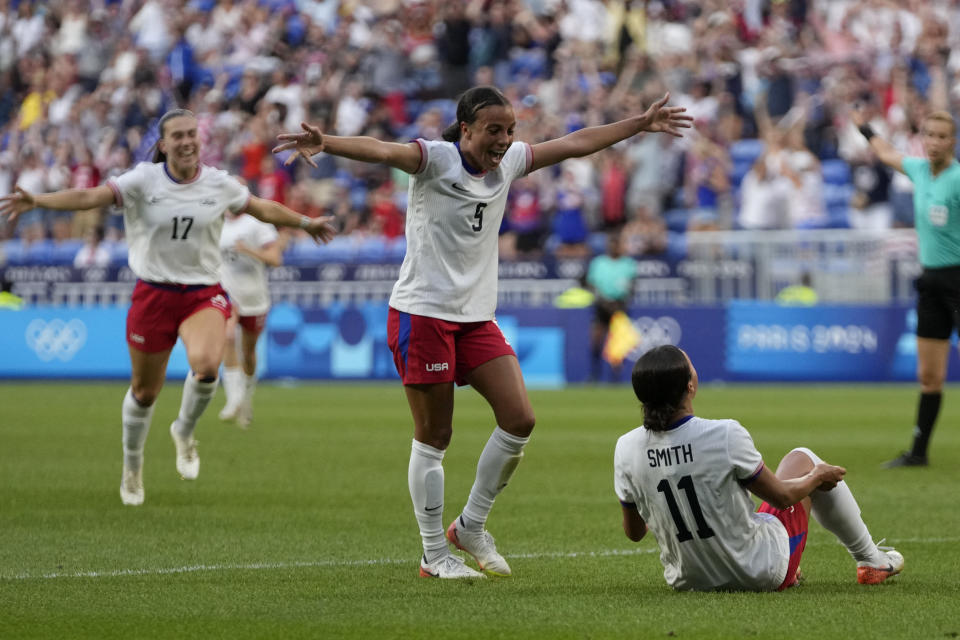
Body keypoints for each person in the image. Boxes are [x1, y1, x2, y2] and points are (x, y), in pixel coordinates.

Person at [275, 86, 692, 579]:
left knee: (519, 418)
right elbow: (383, 149)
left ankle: (470, 525)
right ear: (466, 128)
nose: (504, 140)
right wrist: (328, 142)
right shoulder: (433, 159)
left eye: (510, 130)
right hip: (423, 313)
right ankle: (434, 553)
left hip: (475, 317)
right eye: (494, 130)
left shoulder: (511, 162)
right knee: (435, 435)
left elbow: (576, 142)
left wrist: (638, 124)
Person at [0, 109, 336, 506]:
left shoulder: (218, 183)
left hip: (202, 293)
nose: (187, 141)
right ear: (163, 144)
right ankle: (132, 464)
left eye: (192, 133)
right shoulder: (143, 180)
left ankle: (184, 431)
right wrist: (38, 200)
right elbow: (90, 196)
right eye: (177, 135)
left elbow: (262, 208)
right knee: (144, 392)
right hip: (153, 294)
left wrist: (305, 222)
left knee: (208, 365)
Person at [614, 345, 904, 591]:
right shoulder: (723, 434)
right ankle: (870, 560)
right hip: (759, 574)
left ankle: (845, 561)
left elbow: (635, 532)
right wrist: (817, 476)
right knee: (802, 459)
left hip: (689, 580)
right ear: (690, 385)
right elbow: (782, 498)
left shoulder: (626, 447)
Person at [853, 108, 960, 468]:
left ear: (952, 141)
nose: (934, 142)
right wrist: (866, 128)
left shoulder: (958, 179)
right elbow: (885, 152)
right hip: (931, 281)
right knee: (929, 375)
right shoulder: (917, 169)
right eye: (929, 134)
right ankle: (918, 452)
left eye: (942, 136)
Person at [218, 209, 285, 428]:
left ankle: (245, 399)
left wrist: (248, 250)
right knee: (227, 339)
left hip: (254, 299)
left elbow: (275, 259)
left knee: (248, 353)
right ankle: (233, 399)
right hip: (228, 294)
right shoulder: (216, 222)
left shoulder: (258, 224)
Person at [586, 230, 638, 382]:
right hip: (602, 305)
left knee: (617, 344)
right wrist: (604, 301)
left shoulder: (629, 264)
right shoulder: (598, 263)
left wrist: (619, 302)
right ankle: (595, 374)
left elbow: (632, 287)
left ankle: (615, 377)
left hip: (619, 306)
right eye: (611, 244)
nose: (614, 247)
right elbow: (592, 285)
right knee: (597, 340)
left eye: (617, 244)